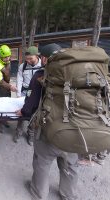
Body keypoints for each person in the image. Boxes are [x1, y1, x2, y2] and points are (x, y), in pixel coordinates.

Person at [17, 43, 79, 200]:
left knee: (42, 163)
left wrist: (23, 112)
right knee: (69, 166)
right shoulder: (78, 75)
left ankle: (39, 193)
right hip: (74, 131)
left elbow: (31, 103)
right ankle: (68, 195)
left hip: (49, 131)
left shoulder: (41, 75)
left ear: (43, 58)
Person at [14, 46, 41, 143]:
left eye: (31, 59)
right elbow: (19, 79)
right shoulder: (23, 66)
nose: (28, 61)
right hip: (25, 93)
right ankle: (18, 132)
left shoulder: (43, 65)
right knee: (21, 113)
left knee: (34, 115)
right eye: (27, 59)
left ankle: (31, 134)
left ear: (37, 56)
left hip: (37, 94)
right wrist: (18, 94)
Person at [0, 44, 17, 132]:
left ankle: (5, 120)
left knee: (7, 105)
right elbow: (0, 81)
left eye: (8, 57)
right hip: (0, 88)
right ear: (0, 56)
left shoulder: (8, 62)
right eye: (5, 57)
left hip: (7, 87)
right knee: (1, 106)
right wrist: (10, 86)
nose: (7, 59)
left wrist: (9, 86)